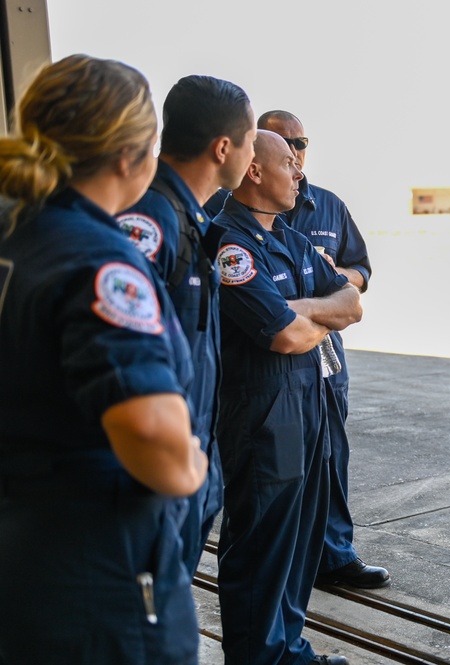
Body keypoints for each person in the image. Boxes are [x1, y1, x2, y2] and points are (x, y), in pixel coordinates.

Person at [0, 54, 207, 664]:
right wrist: (191, 466)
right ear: (128, 156)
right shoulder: (99, 263)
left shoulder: (14, 232)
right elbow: (151, 431)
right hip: (95, 579)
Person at [213, 130, 362, 665]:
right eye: (289, 163)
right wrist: (313, 314)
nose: (300, 173)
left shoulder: (291, 240)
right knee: (261, 546)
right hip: (262, 413)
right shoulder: (228, 243)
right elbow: (285, 337)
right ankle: (257, 657)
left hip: (308, 404)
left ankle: (289, 648)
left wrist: (292, 307)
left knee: (300, 540)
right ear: (255, 171)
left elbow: (352, 304)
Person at [116, 74, 256, 575]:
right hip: (155, 484)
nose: (254, 155)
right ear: (223, 148)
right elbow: (122, 359)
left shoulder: (189, 221)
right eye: (250, 140)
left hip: (187, 467)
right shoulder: (151, 224)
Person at [246, 110, 387, 589]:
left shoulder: (326, 206)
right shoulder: (237, 222)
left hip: (327, 362)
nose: (297, 157)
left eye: (300, 144)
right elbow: (279, 326)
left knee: (331, 455)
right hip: (272, 371)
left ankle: (334, 553)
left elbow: (358, 280)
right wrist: (316, 308)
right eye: (286, 149)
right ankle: (295, 565)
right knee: (280, 474)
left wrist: (310, 303)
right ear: (254, 159)